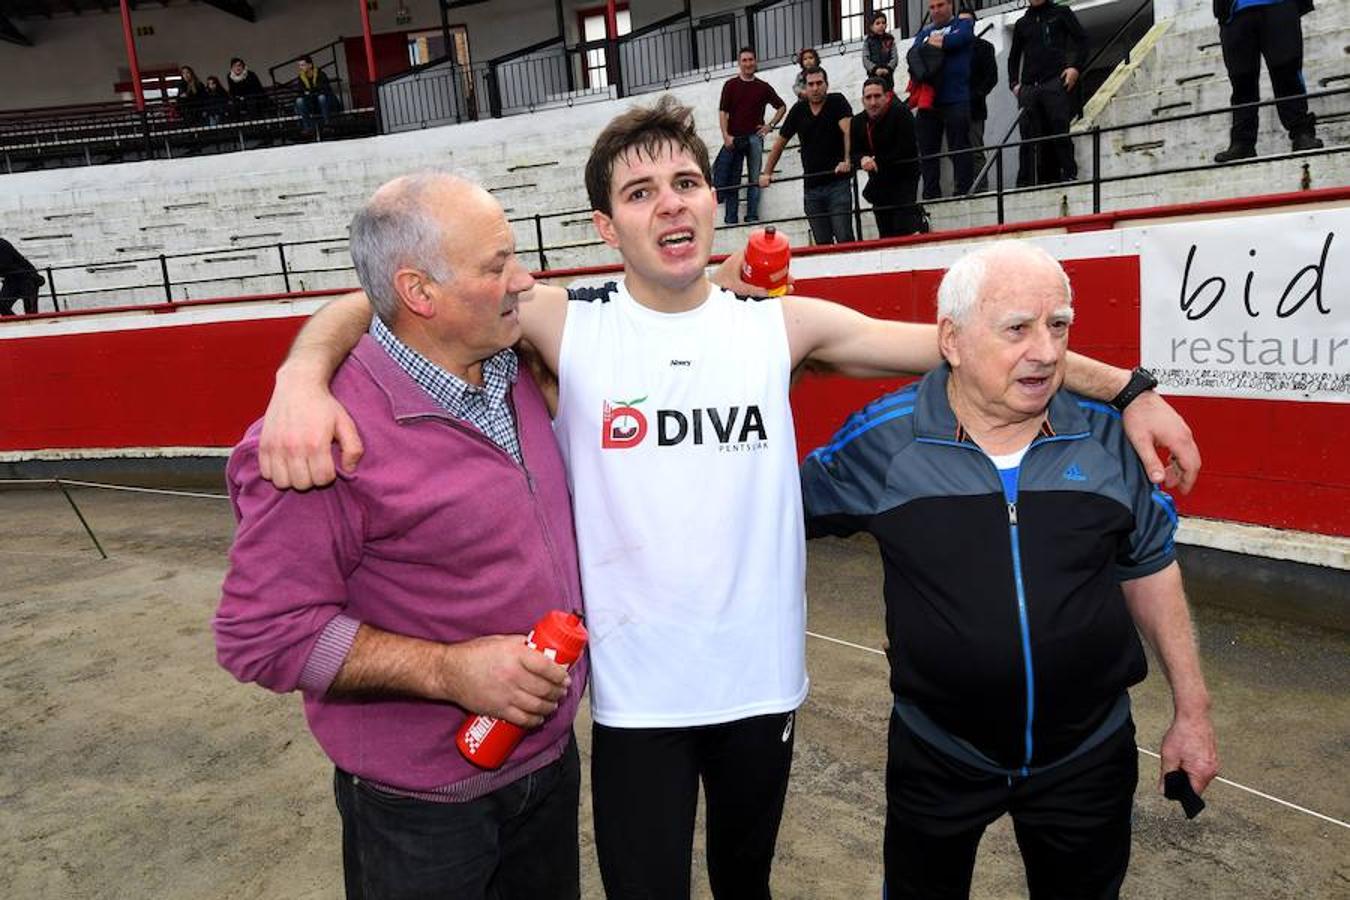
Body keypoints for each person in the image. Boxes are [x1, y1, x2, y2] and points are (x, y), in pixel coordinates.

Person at [252, 97, 1202, 900]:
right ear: (605, 227)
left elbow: (983, 343)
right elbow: (376, 301)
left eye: (687, 184)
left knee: (746, 883)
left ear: (716, 199)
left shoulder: (779, 325)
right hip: (634, 698)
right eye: (639, 193)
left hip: (759, 687)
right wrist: (302, 377)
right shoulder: (558, 320)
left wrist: (1125, 387)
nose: (669, 206)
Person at [801, 241, 1220, 899]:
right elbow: (772, 517)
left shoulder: (1110, 438)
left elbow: (1150, 564)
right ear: (953, 340)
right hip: (939, 753)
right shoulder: (884, 440)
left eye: (1059, 326)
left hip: (1088, 754)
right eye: (1018, 328)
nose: (1048, 352)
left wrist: (1192, 710)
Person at [213, 172, 586, 900]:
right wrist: (450, 672)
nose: (523, 278)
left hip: (546, 768)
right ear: (420, 294)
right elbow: (260, 636)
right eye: (497, 264)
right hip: (420, 814)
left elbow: (366, 300)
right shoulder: (320, 439)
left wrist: (300, 362)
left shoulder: (512, 359)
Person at [1213, 0, 1323, 162]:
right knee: (1241, 79)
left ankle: (1301, 133)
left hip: (1279, 4)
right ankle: (1242, 143)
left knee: (1287, 70)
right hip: (1234, 10)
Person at [760, 66, 856, 245]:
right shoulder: (798, 110)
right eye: (811, 84)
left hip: (838, 183)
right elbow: (780, 143)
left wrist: (848, 160)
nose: (815, 88)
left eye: (819, 83)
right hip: (811, 187)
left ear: (826, 85)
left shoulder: (837, 101)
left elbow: (848, 132)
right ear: (805, 87)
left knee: (844, 238)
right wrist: (766, 172)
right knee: (821, 243)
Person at [1008, 0, 1087, 186]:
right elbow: (1013, 56)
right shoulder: (1022, 23)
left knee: (1059, 128)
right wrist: (1013, 84)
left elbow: (1082, 40)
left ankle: (1068, 174)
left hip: (1054, 81)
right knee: (1027, 136)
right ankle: (1025, 183)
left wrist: (1075, 67)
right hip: (1028, 86)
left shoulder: (1061, 12)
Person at [912, 0, 976, 199]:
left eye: (940, 5)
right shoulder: (923, 33)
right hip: (928, 100)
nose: (935, 10)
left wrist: (934, 44)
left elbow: (961, 39)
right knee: (927, 151)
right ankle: (931, 194)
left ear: (951, 5)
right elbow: (913, 53)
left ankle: (963, 191)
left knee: (959, 146)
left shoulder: (963, 24)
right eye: (932, 7)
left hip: (956, 97)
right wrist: (942, 43)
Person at [718, 48, 787, 225]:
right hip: (734, 139)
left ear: (755, 62)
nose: (748, 63)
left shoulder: (763, 87)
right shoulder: (730, 85)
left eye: (750, 60)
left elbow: (781, 106)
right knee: (732, 178)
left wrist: (769, 126)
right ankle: (731, 218)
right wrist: (726, 136)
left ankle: (752, 215)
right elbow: (723, 112)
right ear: (739, 63)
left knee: (754, 178)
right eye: (744, 60)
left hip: (755, 138)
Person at [851, 77, 925, 237]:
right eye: (868, 97)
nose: (873, 102)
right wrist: (863, 159)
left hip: (903, 178)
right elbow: (854, 153)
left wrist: (876, 160)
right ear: (862, 100)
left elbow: (906, 148)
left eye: (877, 96)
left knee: (903, 228)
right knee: (885, 232)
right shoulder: (857, 121)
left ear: (887, 96)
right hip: (879, 183)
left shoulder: (901, 113)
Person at [962, 10, 999, 192]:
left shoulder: (984, 47)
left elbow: (991, 77)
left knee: (975, 150)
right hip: (953, 109)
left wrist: (976, 95)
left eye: (967, 22)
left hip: (974, 108)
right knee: (957, 152)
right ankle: (962, 188)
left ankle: (981, 188)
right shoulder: (953, 49)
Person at [295, 55, 340, 133]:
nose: (300, 67)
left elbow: (324, 89)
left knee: (321, 97)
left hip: (326, 102)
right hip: (312, 103)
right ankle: (308, 127)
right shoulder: (301, 77)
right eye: (299, 65)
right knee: (299, 101)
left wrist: (310, 92)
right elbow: (300, 91)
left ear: (310, 65)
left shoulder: (320, 74)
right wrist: (311, 92)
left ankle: (327, 124)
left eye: (303, 65)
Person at [0, 237, 42, 317]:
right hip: (12, 279)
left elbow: (5, 264)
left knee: (30, 311)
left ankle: (28, 324)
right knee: (2, 304)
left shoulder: (1, 244)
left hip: (27, 278)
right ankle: (16, 322)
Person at [862, 12, 900, 92]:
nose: (881, 25)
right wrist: (874, 69)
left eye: (883, 23)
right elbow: (865, 58)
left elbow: (894, 57)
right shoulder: (868, 42)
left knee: (888, 93)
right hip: (874, 76)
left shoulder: (889, 40)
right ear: (872, 27)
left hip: (888, 75)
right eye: (878, 23)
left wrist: (889, 68)